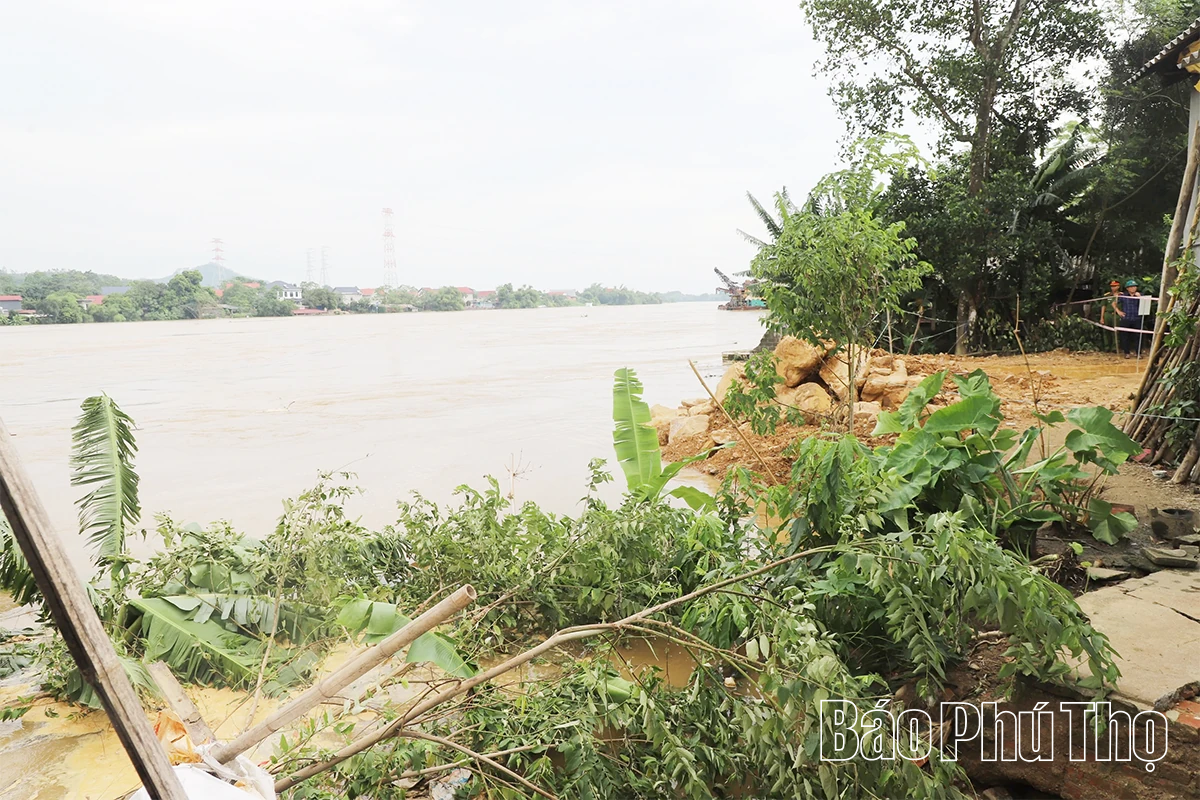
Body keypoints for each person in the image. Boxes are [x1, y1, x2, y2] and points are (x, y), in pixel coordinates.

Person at [1116, 279, 1144, 359]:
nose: (1133, 288)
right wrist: (1118, 311)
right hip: (1126, 318)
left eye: (1134, 287)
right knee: (1124, 336)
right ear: (1127, 288)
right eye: (1131, 287)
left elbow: (1147, 305)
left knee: (1138, 336)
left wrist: (1140, 298)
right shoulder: (1123, 296)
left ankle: (1138, 353)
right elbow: (1114, 303)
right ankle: (1126, 353)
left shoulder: (1140, 295)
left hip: (1137, 318)